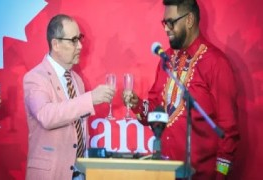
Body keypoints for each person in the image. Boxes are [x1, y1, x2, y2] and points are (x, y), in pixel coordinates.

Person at [123, 0, 239, 179]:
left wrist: (219, 175)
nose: (166, 28)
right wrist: (137, 104)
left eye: (171, 22)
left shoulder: (216, 63)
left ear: (189, 20)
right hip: (164, 173)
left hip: (201, 175)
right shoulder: (166, 58)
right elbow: (155, 112)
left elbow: (228, 130)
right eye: (164, 23)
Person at [23, 14, 115, 180]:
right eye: (73, 40)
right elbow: (46, 115)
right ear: (56, 44)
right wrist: (90, 99)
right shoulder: (35, 77)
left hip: (79, 174)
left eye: (80, 39)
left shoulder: (76, 80)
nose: (79, 46)